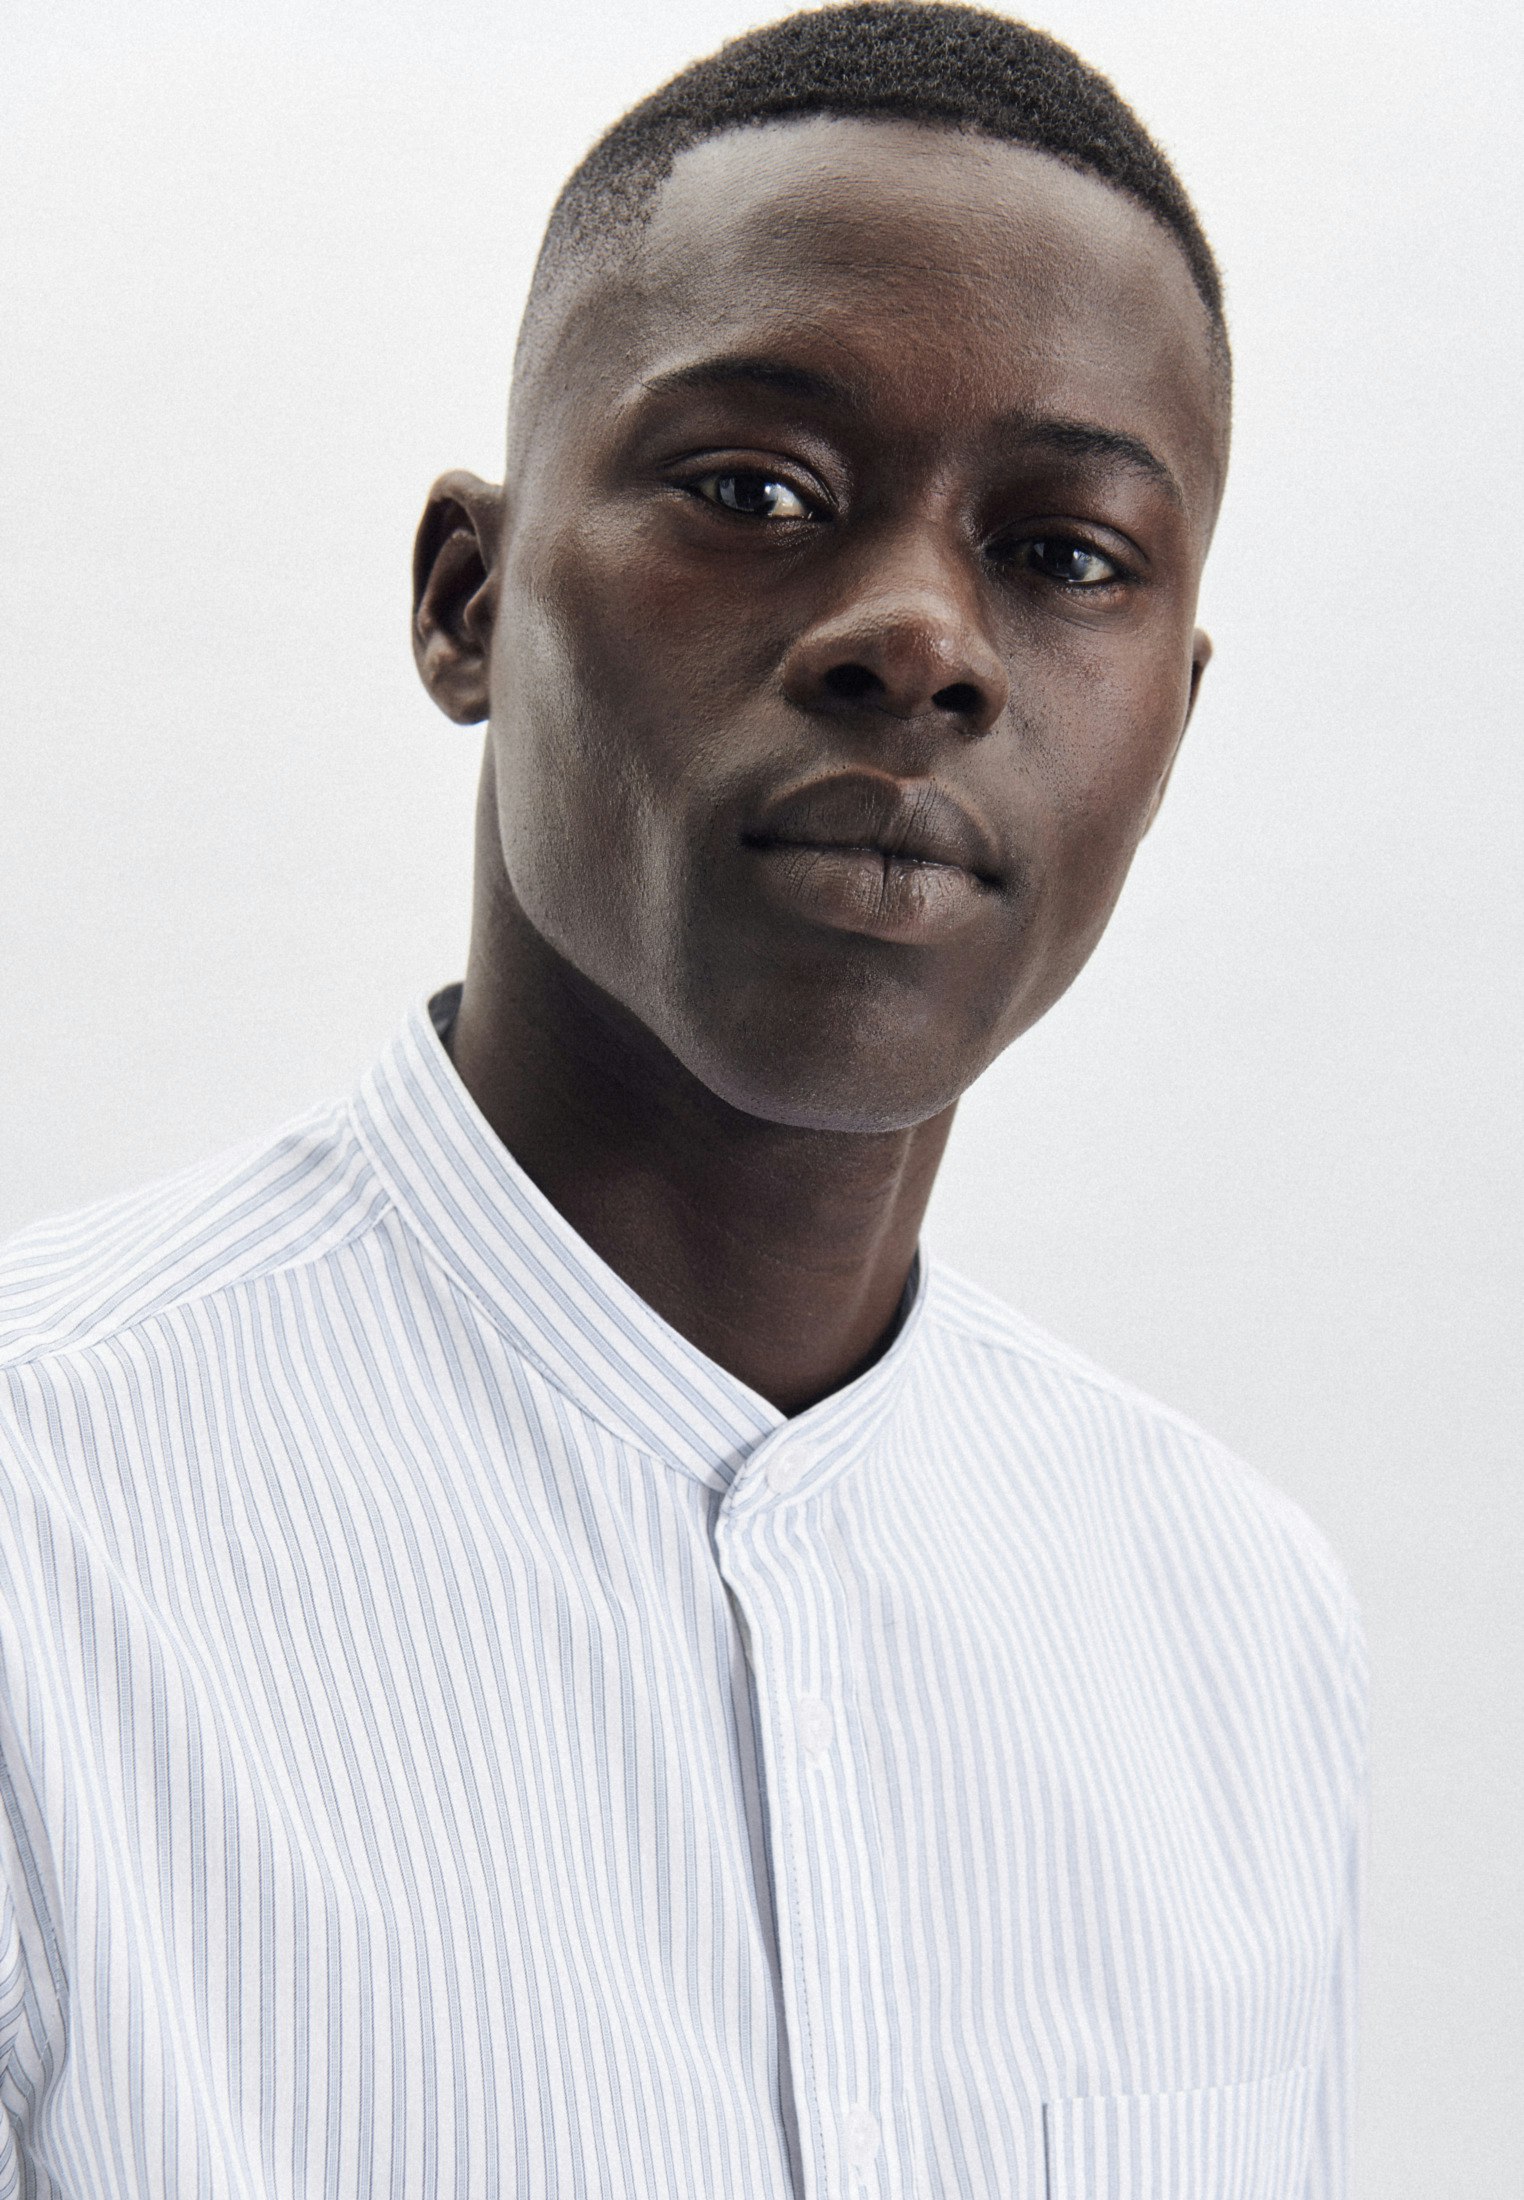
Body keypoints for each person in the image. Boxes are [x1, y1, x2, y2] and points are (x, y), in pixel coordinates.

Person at [0, 5, 1365, 2194]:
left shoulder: (1237, 1630)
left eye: (1067, 553)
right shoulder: (40, 1538)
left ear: (1169, 726)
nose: (923, 639)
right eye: (755, 492)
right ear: (467, 601)